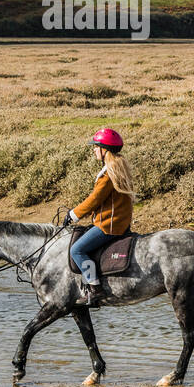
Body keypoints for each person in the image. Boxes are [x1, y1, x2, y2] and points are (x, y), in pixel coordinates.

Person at [65, 127, 136, 306]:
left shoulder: (108, 174)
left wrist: (73, 214)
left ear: (105, 150)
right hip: (119, 222)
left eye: (96, 147)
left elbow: (94, 200)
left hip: (109, 225)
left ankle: (95, 289)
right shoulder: (118, 167)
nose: (94, 150)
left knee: (77, 250)